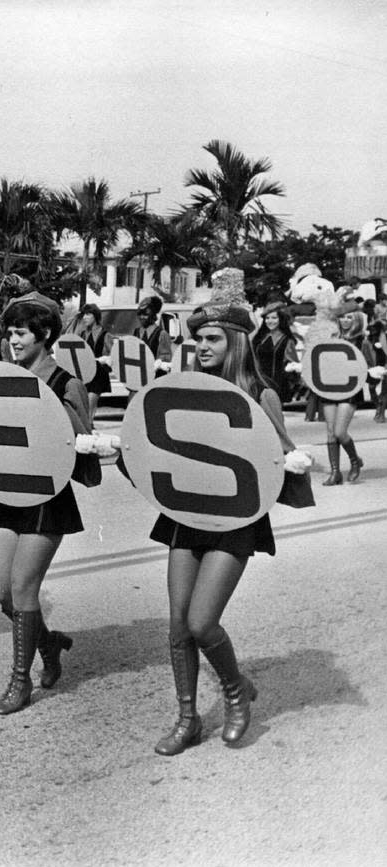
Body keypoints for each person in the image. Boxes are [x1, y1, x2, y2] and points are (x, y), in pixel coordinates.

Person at [149, 268, 305, 755]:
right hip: (185, 514)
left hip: (237, 520)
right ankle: (187, 718)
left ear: (236, 340)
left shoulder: (263, 395)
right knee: (177, 624)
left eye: (212, 338)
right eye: (198, 339)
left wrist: (295, 462)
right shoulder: (187, 388)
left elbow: (283, 464)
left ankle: (237, 693)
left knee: (201, 623)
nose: (202, 347)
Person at [0, 292, 88, 713]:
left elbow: (83, 448)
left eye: (20, 332)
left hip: (46, 498)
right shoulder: (4, 376)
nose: (12, 340)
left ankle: (19, 682)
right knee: (4, 594)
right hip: (5, 493)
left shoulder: (65, 382)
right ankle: (50, 643)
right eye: (9, 332)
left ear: (44, 334)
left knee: (24, 588)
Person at [319, 299, 365, 485]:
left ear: (355, 319)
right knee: (330, 432)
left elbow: (366, 365)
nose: (345, 321)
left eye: (349, 317)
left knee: (339, 432)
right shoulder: (333, 337)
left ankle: (355, 461)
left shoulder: (361, 340)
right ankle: (335, 473)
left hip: (350, 390)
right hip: (329, 388)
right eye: (342, 318)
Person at [251, 301, 299, 405]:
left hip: (277, 385)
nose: (270, 321)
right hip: (258, 382)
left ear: (281, 319)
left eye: (274, 318)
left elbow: (291, 363)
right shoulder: (259, 338)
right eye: (267, 318)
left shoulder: (287, 340)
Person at [76, 302, 113, 427]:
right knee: (83, 406)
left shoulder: (105, 334)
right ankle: (88, 429)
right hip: (84, 374)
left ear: (95, 316)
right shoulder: (82, 334)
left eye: (88, 314)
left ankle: (88, 429)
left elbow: (112, 356)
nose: (85, 318)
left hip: (98, 374)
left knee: (90, 404)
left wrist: (104, 359)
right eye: (83, 315)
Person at [133, 295, 173, 372]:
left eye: (145, 315)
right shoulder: (136, 332)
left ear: (153, 315)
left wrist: (159, 363)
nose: (142, 317)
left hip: (155, 377)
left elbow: (165, 359)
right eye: (140, 314)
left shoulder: (162, 334)